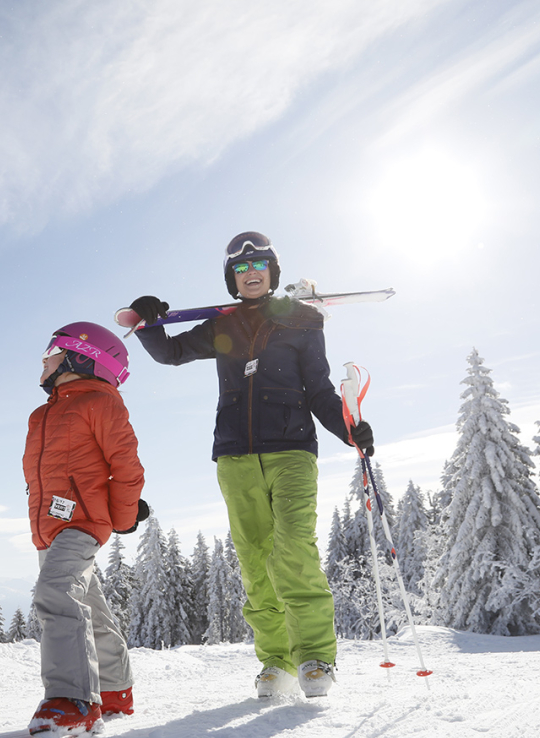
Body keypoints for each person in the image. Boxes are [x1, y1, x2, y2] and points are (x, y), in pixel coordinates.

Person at [127, 231, 374, 699]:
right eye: (240, 268)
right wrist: (149, 322)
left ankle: (316, 658)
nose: (250, 272)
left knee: (294, 549)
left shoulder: (301, 322)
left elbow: (319, 389)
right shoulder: (223, 327)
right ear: (232, 279)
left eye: (259, 264)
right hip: (235, 455)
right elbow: (170, 353)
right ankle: (276, 663)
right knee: (255, 560)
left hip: (292, 450)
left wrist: (349, 431)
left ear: (272, 273)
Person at [23, 321, 146, 735]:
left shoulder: (101, 404)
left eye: (52, 352)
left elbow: (126, 467)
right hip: (49, 526)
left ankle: (72, 699)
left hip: (82, 522)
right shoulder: (41, 415)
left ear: (81, 357)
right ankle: (114, 688)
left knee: (56, 592)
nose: (43, 360)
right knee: (87, 605)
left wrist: (123, 516)